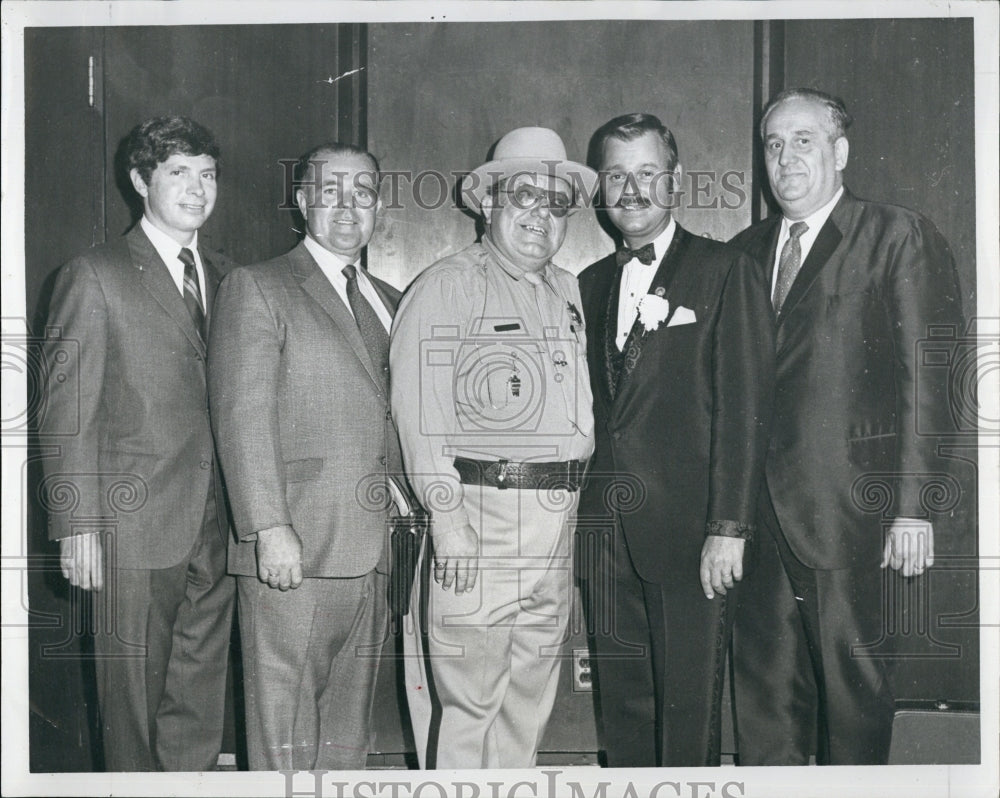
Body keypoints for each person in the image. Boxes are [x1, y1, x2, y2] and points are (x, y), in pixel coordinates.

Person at [730, 88, 965, 765]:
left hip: (853, 517)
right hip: (758, 524)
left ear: (840, 152)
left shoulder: (894, 234)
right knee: (764, 710)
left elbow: (934, 378)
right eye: (773, 144)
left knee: (853, 706)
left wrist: (916, 510)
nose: (784, 158)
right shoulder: (745, 252)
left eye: (802, 140)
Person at [390, 126, 597, 769]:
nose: (540, 215)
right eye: (524, 196)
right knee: (468, 704)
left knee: (527, 701)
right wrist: (447, 520)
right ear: (489, 203)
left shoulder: (567, 291)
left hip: (556, 520)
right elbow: (419, 416)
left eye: (556, 203)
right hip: (481, 516)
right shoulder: (448, 286)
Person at [576, 112, 774, 767]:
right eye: (616, 175)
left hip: (693, 535)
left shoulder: (724, 270)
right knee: (623, 710)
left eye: (647, 173)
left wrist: (729, 526)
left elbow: (746, 410)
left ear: (677, 180)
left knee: (688, 713)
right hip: (606, 534)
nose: (631, 189)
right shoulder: (587, 284)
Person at [39, 116, 237, 771]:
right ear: (139, 181)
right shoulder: (94, 275)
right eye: (177, 173)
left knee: (199, 700)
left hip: (219, 524)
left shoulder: (231, 278)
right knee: (130, 708)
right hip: (132, 526)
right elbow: (65, 412)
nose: (195, 189)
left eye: (206, 174)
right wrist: (76, 526)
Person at [208, 143, 401, 771]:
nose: (348, 206)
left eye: (364, 192)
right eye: (331, 189)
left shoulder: (391, 299)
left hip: (374, 550)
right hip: (295, 551)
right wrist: (269, 527)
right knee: (285, 734)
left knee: (349, 738)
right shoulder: (258, 286)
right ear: (302, 201)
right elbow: (241, 416)